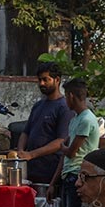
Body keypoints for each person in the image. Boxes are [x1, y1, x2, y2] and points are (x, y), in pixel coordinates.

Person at [59, 78, 103, 207]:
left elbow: (71, 151)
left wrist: (61, 147)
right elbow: (66, 154)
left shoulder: (86, 119)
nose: (65, 101)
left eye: (65, 97)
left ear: (71, 96)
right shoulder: (75, 119)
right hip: (68, 174)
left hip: (78, 175)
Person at [15, 64, 71, 193]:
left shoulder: (64, 107)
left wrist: (31, 154)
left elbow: (61, 141)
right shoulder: (38, 105)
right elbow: (26, 132)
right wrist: (20, 152)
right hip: (31, 169)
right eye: (39, 80)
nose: (41, 83)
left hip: (50, 171)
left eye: (46, 79)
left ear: (57, 80)